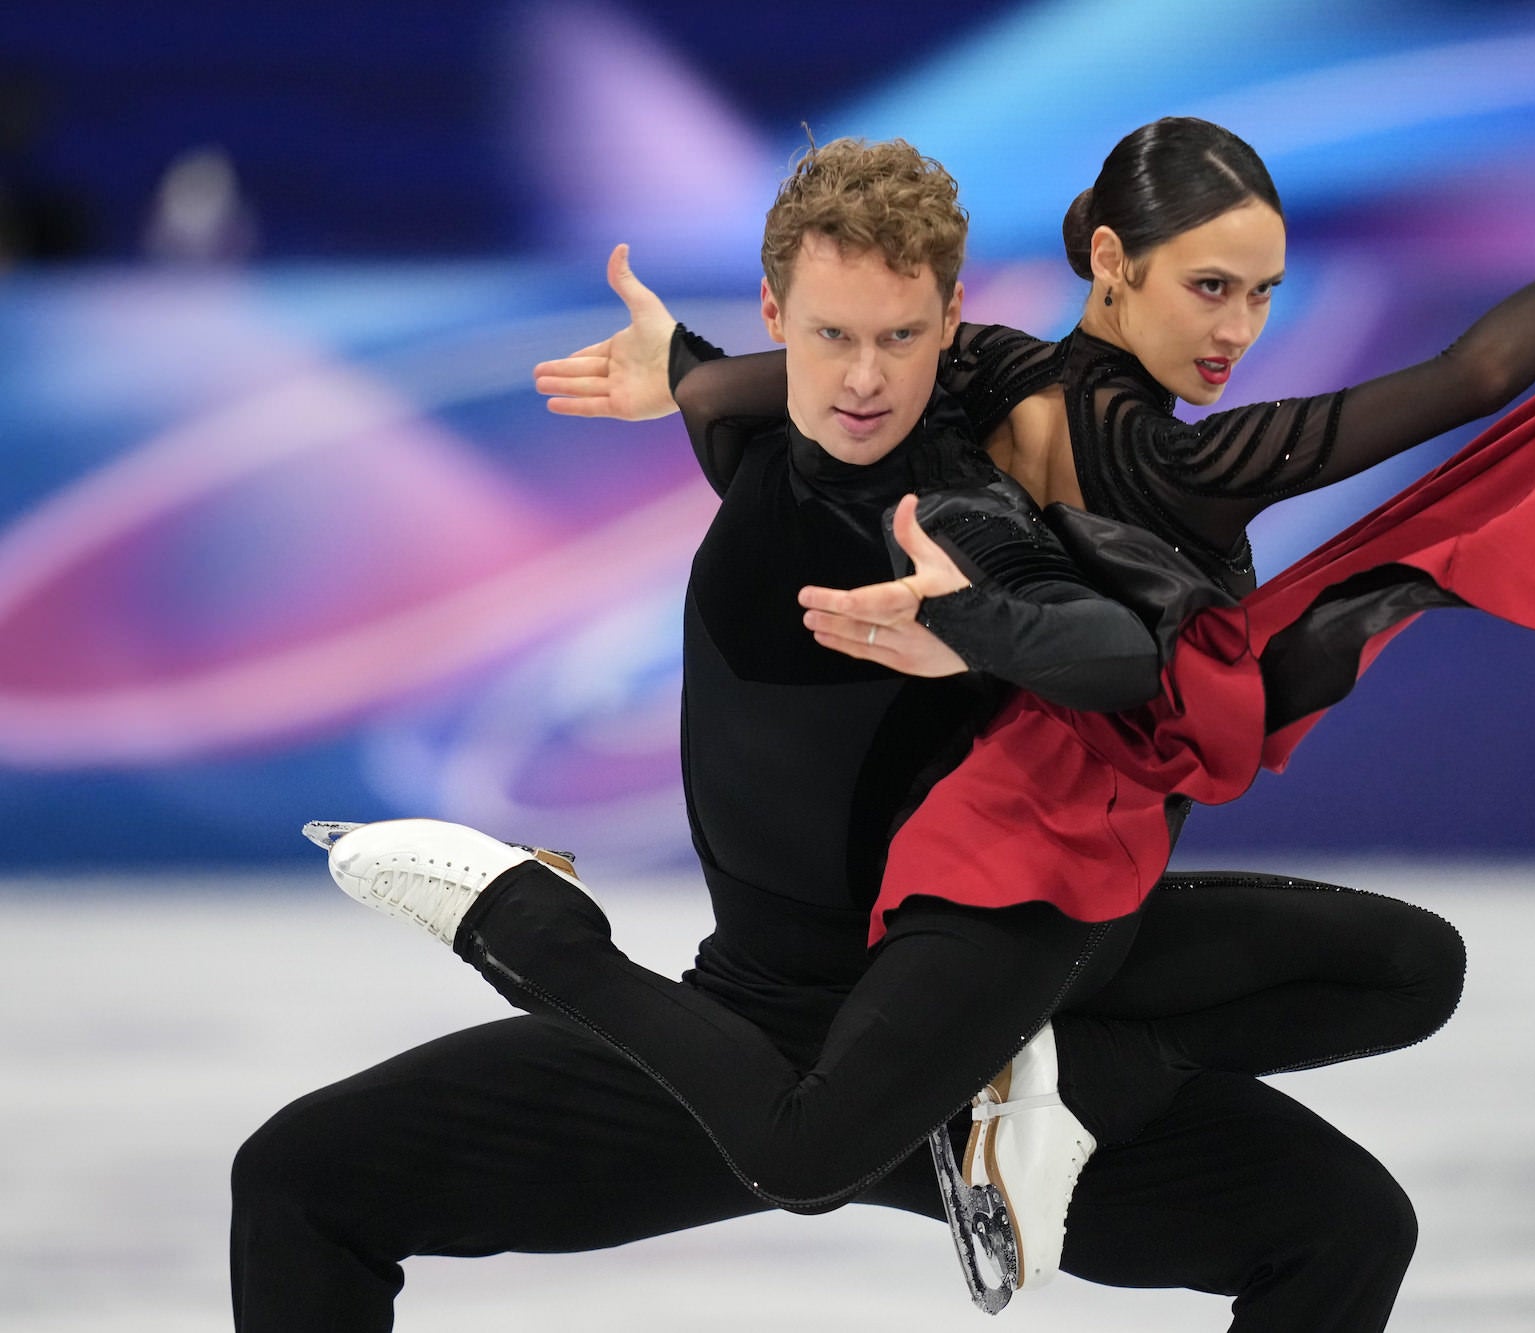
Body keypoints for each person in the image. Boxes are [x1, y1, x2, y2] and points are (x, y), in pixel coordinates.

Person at [509, 116, 1535, 1288]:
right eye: (1208, 287)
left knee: (1412, 969)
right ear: (1113, 263)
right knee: (815, 1145)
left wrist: (685, 369)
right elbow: (1470, 376)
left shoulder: (981, 368)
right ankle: (994, 1081)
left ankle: (1058, 1077)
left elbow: (807, 374)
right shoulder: (1173, 456)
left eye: (1262, 292)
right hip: (1026, 841)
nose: (1237, 328)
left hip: (1050, 821)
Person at [239, 137, 1432, 1331]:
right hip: (750, 1037)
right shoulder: (751, 441)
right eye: (830, 336)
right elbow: (730, 397)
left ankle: (548, 934)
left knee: (1344, 1216)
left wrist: (974, 627)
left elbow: (1113, 650)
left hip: (956, 1012)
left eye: (900, 338)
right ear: (775, 320)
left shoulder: (961, 512)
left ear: (950, 324)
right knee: (302, 1179)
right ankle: (1021, 1092)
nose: (863, 379)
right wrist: (686, 366)